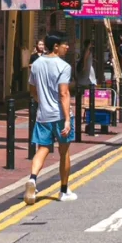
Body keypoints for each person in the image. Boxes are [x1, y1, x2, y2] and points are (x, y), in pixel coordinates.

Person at [25, 33, 76, 204]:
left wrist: (42, 102)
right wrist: (68, 119)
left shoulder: (36, 64)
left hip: (43, 115)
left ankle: (32, 179)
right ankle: (63, 190)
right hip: (60, 115)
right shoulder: (63, 66)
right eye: (64, 44)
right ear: (56, 46)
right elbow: (64, 93)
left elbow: (32, 91)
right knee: (64, 152)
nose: (67, 47)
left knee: (43, 149)